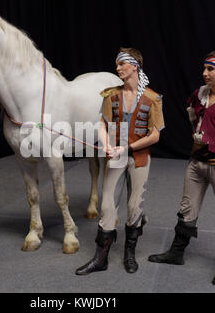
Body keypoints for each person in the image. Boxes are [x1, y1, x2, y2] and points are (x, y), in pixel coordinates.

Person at [148, 50, 215, 285]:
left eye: (210, 69)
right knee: (187, 209)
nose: (204, 73)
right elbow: (194, 120)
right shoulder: (200, 94)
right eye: (204, 68)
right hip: (197, 163)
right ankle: (177, 253)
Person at [75, 48, 165, 275]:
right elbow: (103, 124)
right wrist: (106, 144)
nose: (117, 68)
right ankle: (100, 257)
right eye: (116, 65)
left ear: (134, 66)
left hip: (139, 157)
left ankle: (130, 254)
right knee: (107, 206)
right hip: (115, 156)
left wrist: (128, 147)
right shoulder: (111, 95)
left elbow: (155, 135)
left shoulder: (152, 98)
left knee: (135, 206)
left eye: (121, 64)